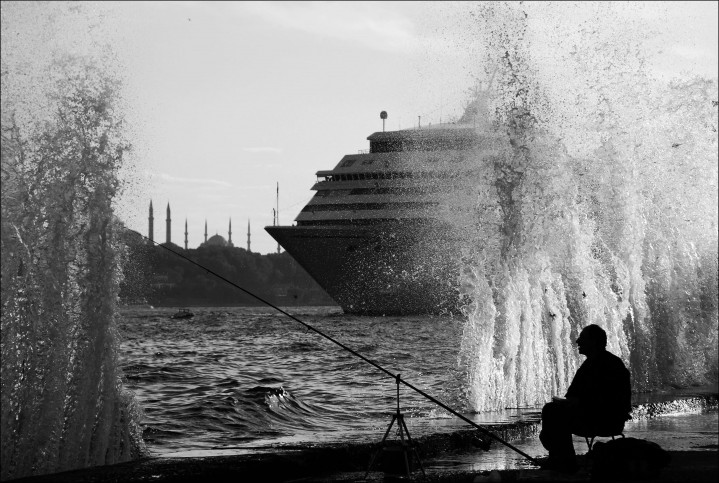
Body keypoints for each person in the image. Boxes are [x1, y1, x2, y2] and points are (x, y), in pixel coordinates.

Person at [539, 324, 631, 472]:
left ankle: (564, 461)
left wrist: (579, 402)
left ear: (593, 342)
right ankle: (562, 459)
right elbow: (573, 395)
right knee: (553, 411)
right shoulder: (605, 363)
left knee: (552, 411)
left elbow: (608, 400)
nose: (577, 341)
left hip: (601, 420)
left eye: (582, 338)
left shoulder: (602, 366)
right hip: (607, 419)